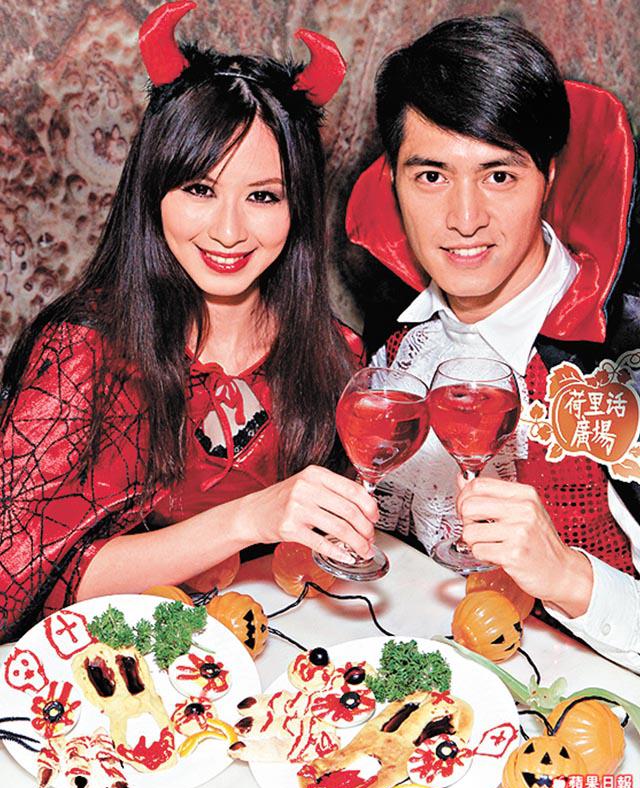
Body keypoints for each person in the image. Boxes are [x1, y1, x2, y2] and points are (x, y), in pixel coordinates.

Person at [0, 2, 377, 643]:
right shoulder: (85, 352)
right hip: (120, 663)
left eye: (263, 196)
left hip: (281, 654)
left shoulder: (335, 353)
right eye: (201, 189)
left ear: (298, 208)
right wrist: (247, 519)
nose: (228, 231)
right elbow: (19, 579)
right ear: (154, 191)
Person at [346, 16, 640, 670]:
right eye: (432, 176)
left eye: (499, 176)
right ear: (393, 182)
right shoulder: (397, 331)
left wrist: (568, 575)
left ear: (549, 176)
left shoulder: (623, 364)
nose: (464, 218)